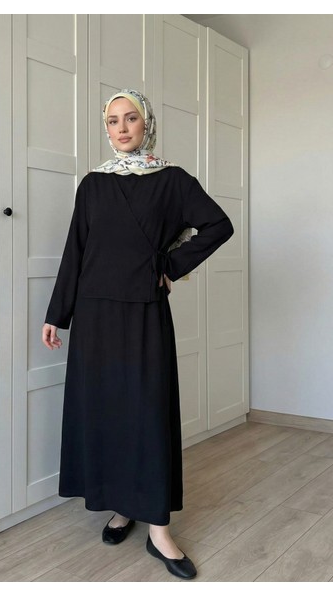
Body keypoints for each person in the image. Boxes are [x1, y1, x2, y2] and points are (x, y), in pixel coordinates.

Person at [42, 89, 234, 580]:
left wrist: (168, 266)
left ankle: (158, 530)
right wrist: (57, 314)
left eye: (130, 118)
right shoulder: (93, 184)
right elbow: (76, 249)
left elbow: (218, 225)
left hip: (144, 312)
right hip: (94, 315)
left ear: (147, 123)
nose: (122, 128)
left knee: (147, 416)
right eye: (113, 121)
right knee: (107, 412)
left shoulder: (173, 180)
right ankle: (121, 507)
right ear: (105, 128)